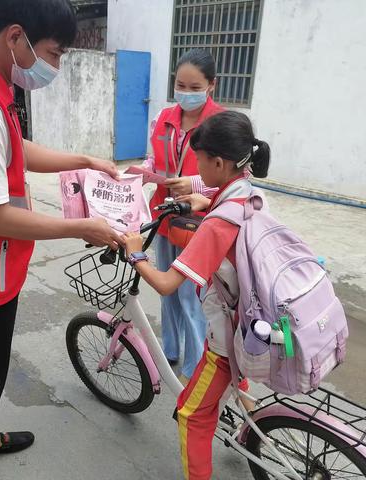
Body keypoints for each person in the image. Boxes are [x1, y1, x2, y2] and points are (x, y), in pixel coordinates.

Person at [0, 1, 122, 479]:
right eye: (53, 53)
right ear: (16, 37)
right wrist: (83, 228)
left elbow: (15, 149)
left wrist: (83, 160)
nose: (54, 66)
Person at [124, 111, 271, 480]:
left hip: (226, 339)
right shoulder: (250, 193)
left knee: (191, 415)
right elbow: (223, 203)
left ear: (218, 162)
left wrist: (135, 251)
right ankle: (254, 433)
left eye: (200, 160)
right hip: (253, 322)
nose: (198, 168)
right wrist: (205, 201)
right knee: (235, 381)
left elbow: (166, 284)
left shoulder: (218, 225)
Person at [143, 49, 224, 383]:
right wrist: (145, 172)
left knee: (191, 298)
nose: (186, 93)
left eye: (195, 87)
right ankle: (170, 350)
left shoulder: (220, 125)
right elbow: (154, 159)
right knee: (166, 290)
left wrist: (194, 189)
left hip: (197, 226)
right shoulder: (164, 119)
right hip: (165, 218)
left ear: (211, 87)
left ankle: (194, 369)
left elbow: (230, 179)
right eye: (180, 85)